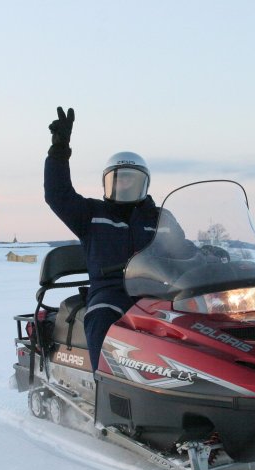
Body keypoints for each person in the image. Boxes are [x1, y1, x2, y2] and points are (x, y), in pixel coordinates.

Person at [44, 106, 160, 371]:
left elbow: (181, 249)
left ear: (143, 183)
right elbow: (57, 195)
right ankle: (104, 388)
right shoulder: (91, 214)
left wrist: (209, 254)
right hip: (111, 291)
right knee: (102, 320)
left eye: (130, 179)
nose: (123, 184)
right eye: (118, 179)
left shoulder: (160, 219)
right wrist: (59, 153)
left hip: (156, 292)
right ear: (108, 182)